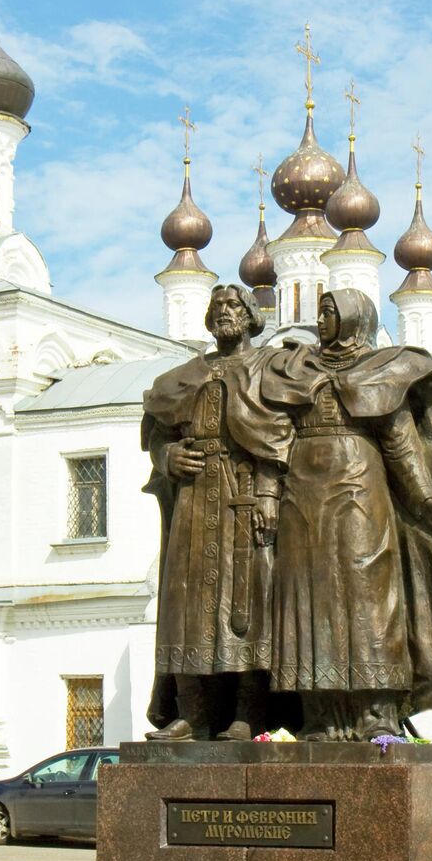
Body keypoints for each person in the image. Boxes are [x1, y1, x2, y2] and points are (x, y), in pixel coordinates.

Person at [259, 288, 432, 740]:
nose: (322, 322)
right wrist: (265, 492)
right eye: (320, 314)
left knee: (369, 598)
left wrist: (424, 499)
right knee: (305, 598)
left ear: (356, 319)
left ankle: (375, 711)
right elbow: (270, 438)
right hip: (300, 498)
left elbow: (400, 443)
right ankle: (320, 714)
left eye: (330, 313)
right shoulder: (294, 369)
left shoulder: (383, 371)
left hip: (361, 495)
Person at [141, 285, 292, 740]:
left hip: (244, 498)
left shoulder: (268, 367)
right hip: (193, 498)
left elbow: (280, 435)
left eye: (233, 306)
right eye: (217, 307)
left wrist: (268, 494)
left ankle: (249, 715)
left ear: (250, 316)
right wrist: (167, 457)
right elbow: (158, 432)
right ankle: (193, 714)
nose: (224, 313)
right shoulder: (184, 376)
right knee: (186, 605)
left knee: (249, 606)